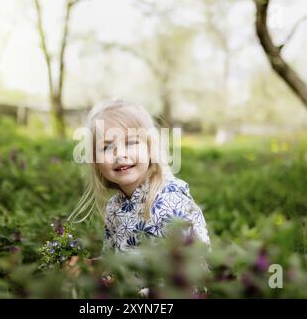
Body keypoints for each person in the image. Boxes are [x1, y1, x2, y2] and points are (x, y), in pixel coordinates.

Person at [68, 99, 210, 294]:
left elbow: (191, 272)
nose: (120, 154)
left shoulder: (168, 201)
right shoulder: (115, 207)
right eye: (107, 147)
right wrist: (92, 267)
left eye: (131, 142)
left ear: (150, 148)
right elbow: (117, 261)